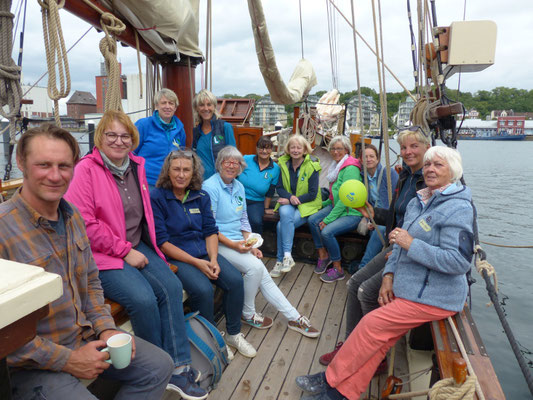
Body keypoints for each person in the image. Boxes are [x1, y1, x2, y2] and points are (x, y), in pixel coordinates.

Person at [1, 124, 174, 400]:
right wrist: (68, 360)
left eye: (64, 166)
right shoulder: (3, 230)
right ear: (21, 163)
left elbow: (91, 283)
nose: (55, 176)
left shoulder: (72, 218)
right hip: (33, 365)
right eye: (44, 165)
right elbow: (6, 338)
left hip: (85, 337)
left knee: (159, 366)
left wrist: (105, 327)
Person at [295, 146, 474, 400]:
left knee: (371, 324)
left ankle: (330, 381)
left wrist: (412, 243)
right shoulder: (419, 201)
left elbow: (458, 262)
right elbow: (398, 246)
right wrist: (388, 276)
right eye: (428, 164)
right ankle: (344, 393)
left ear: (453, 172)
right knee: (377, 337)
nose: (431, 169)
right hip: (411, 285)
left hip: (436, 295)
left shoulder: (458, 209)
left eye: (439, 165)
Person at [64, 111, 207, 399]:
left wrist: (142, 247)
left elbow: (142, 215)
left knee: (172, 286)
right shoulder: (85, 170)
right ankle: (155, 369)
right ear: (100, 138)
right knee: (143, 299)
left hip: (135, 244)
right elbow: (85, 224)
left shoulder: (135, 166)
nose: (119, 141)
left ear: (133, 140)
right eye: (111, 135)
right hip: (101, 254)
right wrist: (124, 251)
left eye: (125, 136)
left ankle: (178, 368)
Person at [319, 126, 430, 366]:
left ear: (427, 149)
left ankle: (373, 356)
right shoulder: (406, 176)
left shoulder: (427, 180)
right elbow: (394, 215)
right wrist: (371, 213)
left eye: (414, 146)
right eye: (403, 147)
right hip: (395, 243)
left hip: (410, 250)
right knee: (354, 283)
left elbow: (425, 226)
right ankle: (351, 344)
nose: (408, 151)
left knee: (366, 291)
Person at [203, 146, 320, 337]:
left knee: (262, 272)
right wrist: (235, 245)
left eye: (236, 163)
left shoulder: (238, 186)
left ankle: (293, 316)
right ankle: (248, 314)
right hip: (218, 243)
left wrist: (250, 243)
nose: (231, 166)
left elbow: (242, 220)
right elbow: (210, 228)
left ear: (241, 167)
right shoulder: (210, 187)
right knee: (255, 268)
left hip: (237, 241)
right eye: (227, 162)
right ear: (219, 164)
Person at [150, 150, 257, 358]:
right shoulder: (157, 198)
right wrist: (197, 263)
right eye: (176, 169)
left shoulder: (201, 196)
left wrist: (214, 259)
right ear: (168, 171)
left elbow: (210, 231)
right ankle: (213, 339)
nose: (181, 175)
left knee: (235, 280)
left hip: (205, 251)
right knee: (203, 290)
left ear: (193, 173)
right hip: (178, 256)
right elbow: (162, 242)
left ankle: (233, 334)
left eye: (186, 170)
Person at [308, 136, 363, 283]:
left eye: (339, 148)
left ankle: (338, 269)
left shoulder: (350, 168)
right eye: (332, 148)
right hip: (337, 207)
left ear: (346, 150)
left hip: (351, 211)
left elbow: (346, 199)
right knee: (312, 220)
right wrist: (320, 204)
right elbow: (336, 197)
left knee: (327, 231)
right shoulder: (336, 166)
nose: (335, 151)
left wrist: (328, 219)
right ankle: (323, 255)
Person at [271, 134, 322, 278]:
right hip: (290, 201)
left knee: (282, 225)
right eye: (292, 147)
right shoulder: (284, 164)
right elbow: (279, 188)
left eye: (299, 147)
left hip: (307, 204)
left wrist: (293, 200)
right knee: (285, 214)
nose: (295, 150)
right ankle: (287, 256)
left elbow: (312, 194)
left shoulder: (312, 165)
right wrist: (290, 197)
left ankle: (281, 259)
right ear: (288, 149)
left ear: (305, 150)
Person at [356, 144, 399, 270]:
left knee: (379, 230)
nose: (368, 159)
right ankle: (374, 269)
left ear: (378, 159)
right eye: (365, 157)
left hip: (387, 216)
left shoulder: (388, 173)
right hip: (373, 215)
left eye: (371, 156)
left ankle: (363, 267)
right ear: (361, 160)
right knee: (372, 233)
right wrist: (369, 219)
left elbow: (396, 199)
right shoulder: (363, 178)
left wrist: (377, 220)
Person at [134, 88, 186, 189]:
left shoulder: (180, 130)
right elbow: (131, 153)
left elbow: (181, 155)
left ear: (175, 107)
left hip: (171, 183)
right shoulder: (143, 125)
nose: (167, 106)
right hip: (147, 183)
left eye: (171, 103)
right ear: (156, 106)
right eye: (163, 103)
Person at [237, 136, 280, 234]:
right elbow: (234, 174)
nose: (264, 151)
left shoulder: (275, 169)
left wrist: (266, 208)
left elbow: (270, 190)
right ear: (257, 149)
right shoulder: (246, 159)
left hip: (256, 201)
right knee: (234, 219)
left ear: (271, 150)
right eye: (261, 148)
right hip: (238, 197)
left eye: (267, 148)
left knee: (256, 222)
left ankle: (255, 246)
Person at [192, 89, 236, 180]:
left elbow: (233, 158)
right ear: (197, 108)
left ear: (214, 106)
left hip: (220, 182)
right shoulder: (196, 132)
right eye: (201, 105)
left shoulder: (225, 127)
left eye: (209, 105)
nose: (206, 108)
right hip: (201, 183)